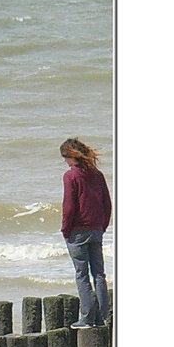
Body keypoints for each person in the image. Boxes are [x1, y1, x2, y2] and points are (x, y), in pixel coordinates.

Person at [60, 138, 112, 329]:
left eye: (65, 158)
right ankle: (101, 316)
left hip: (78, 231)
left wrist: (66, 229)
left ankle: (87, 317)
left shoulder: (71, 176)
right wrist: (102, 225)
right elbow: (107, 203)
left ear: (71, 157)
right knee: (98, 273)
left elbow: (69, 207)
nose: (65, 162)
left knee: (81, 274)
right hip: (96, 228)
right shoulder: (97, 174)